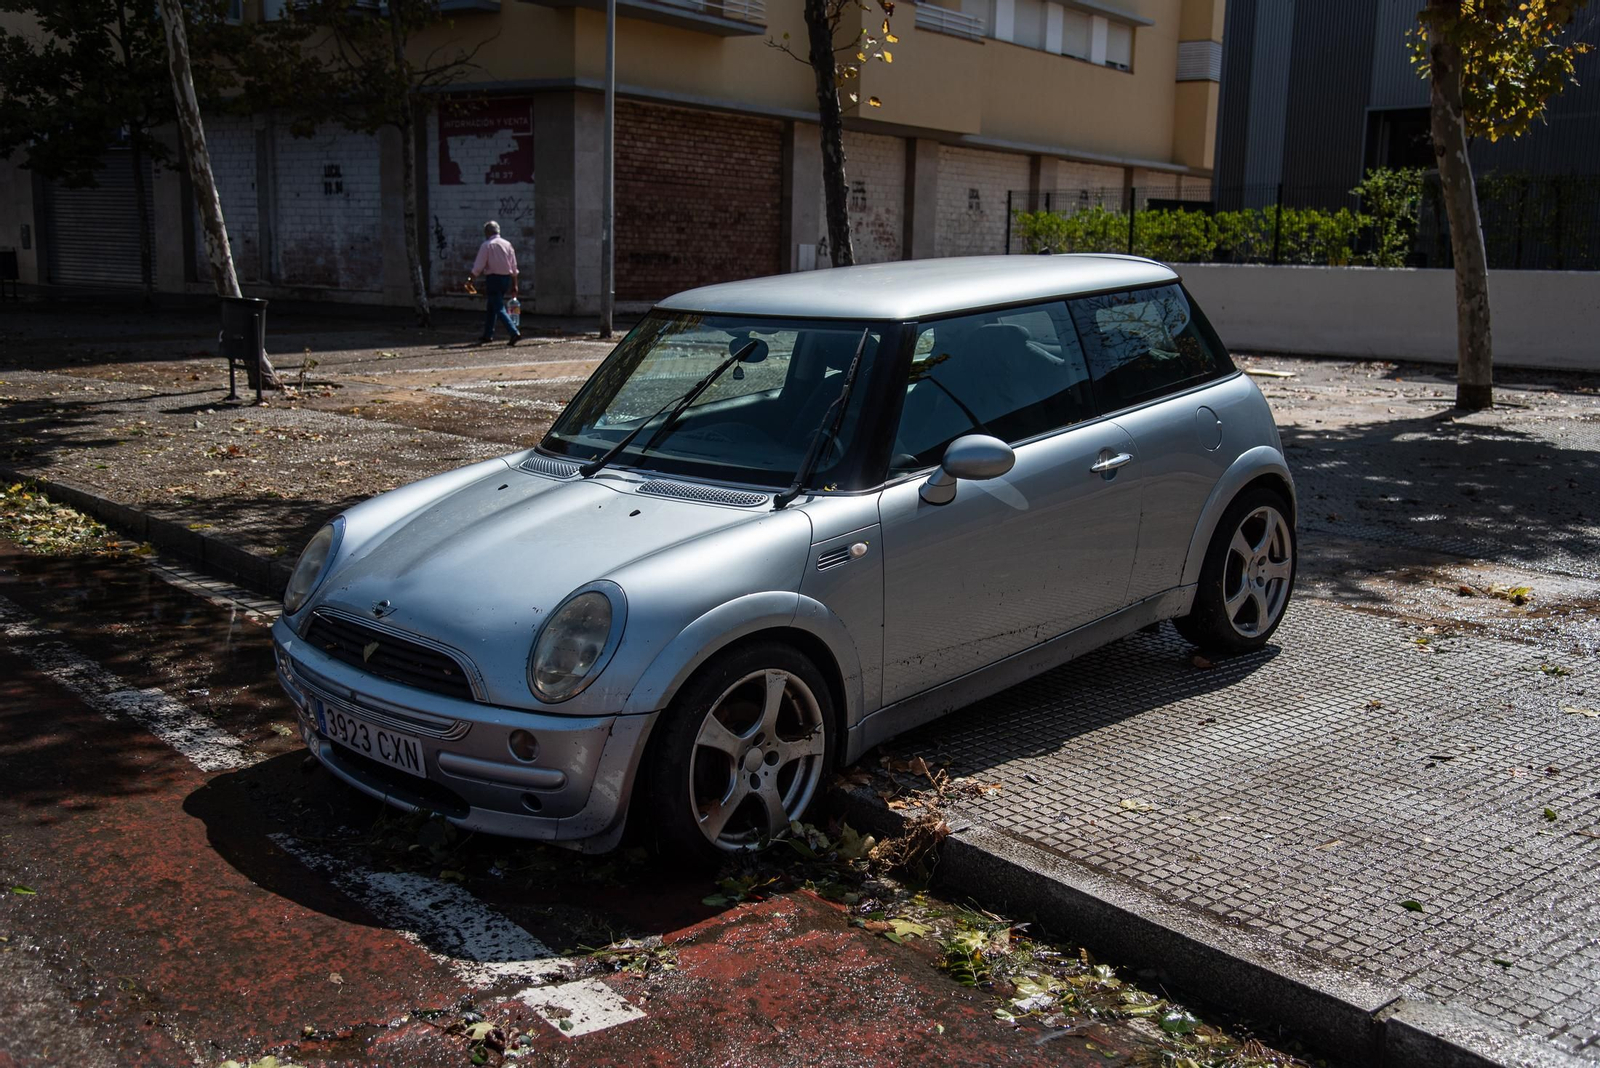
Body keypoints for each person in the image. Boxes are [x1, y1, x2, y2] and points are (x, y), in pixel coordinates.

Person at [469, 221, 520, 346]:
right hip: (505, 279)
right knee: (492, 306)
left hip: (493, 278)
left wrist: (470, 279)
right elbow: (514, 267)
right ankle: (488, 334)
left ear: (487, 232)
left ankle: (513, 332)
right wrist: (515, 284)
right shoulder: (507, 244)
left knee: (498, 307)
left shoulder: (487, 245)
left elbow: (478, 266)